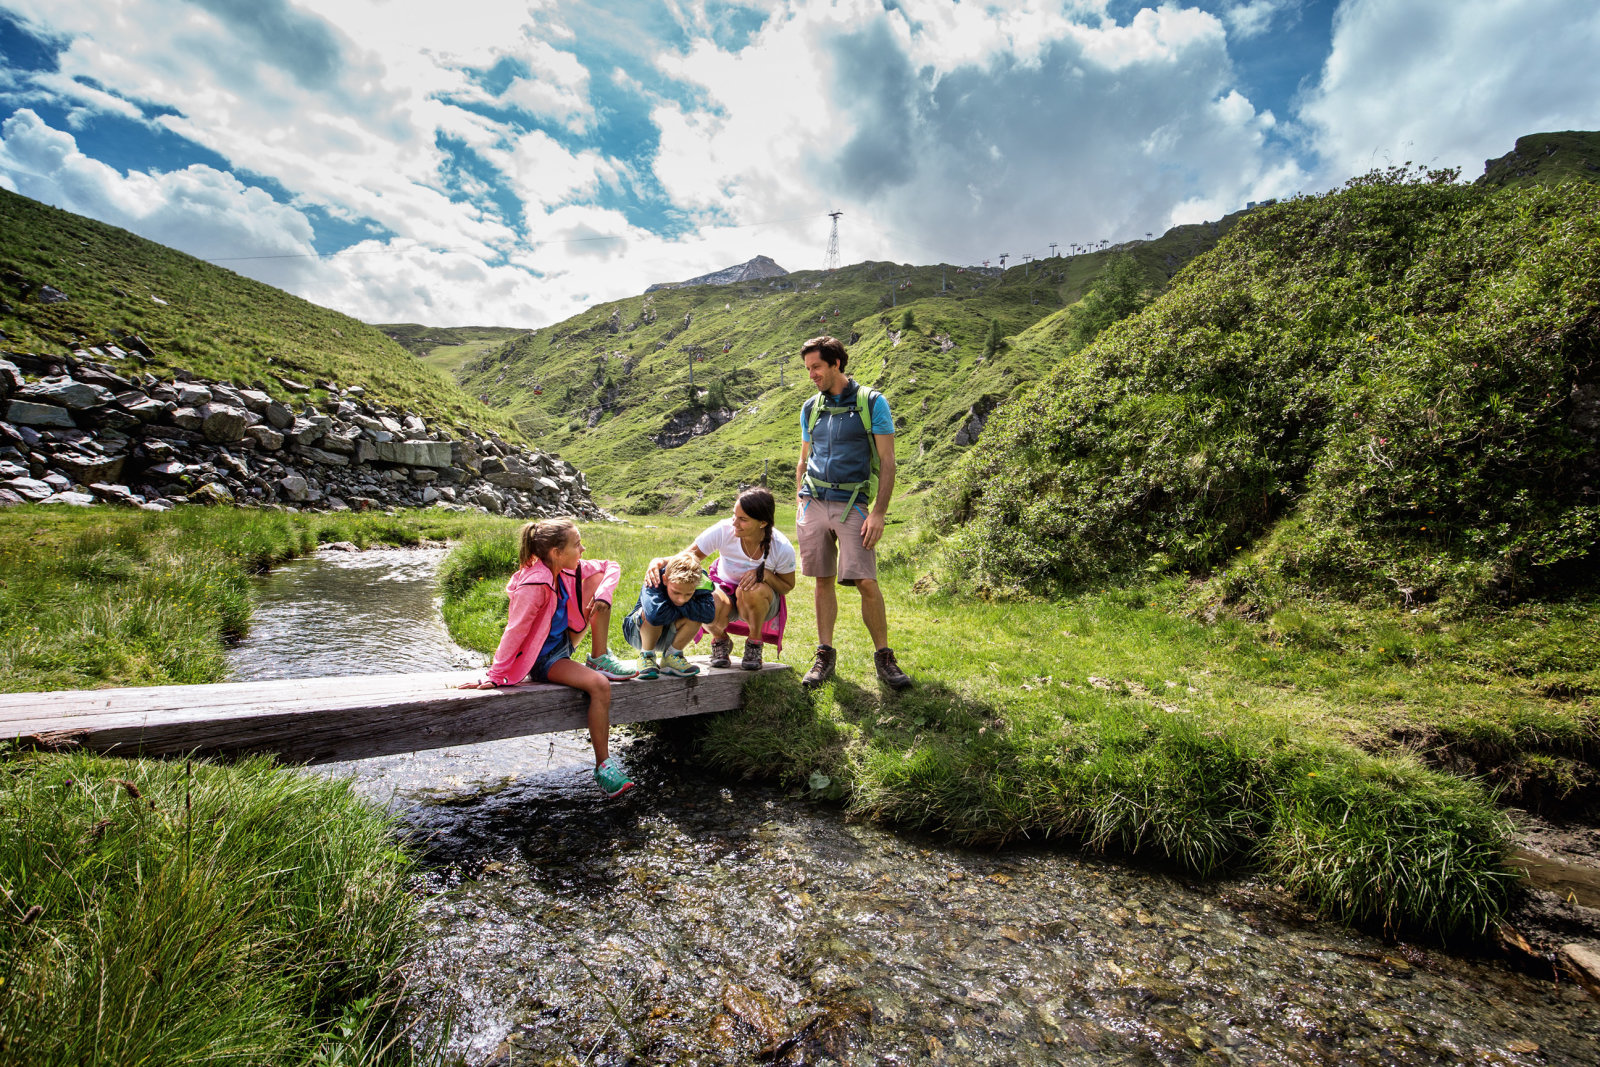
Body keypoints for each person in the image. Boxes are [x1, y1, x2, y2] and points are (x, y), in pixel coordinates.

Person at [459, 518, 638, 797]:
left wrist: (603, 594)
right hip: (545, 658)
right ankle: (603, 766)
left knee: (599, 583)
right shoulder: (536, 584)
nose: (583, 549)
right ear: (556, 552)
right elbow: (515, 631)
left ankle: (599, 656)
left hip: (565, 641)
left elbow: (610, 566)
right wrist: (496, 675)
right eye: (576, 545)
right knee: (600, 686)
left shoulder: (566, 570)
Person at [795, 335, 912, 690]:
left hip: (853, 504)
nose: (812, 374)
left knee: (865, 581)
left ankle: (884, 657)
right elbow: (803, 457)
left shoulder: (872, 402)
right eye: (808, 368)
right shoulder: (809, 407)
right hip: (813, 501)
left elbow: (889, 462)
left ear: (836, 364)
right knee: (822, 580)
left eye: (816, 367)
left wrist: (878, 513)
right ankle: (824, 655)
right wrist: (799, 499)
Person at [644, 487, 797, 671]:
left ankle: (754, 644)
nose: (735, 523)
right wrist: (659, 561)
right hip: (725, 591)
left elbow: (787, 586)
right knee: (707, 601)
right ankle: (720, 639)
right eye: (734, 515)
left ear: (762, 522)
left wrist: (766, 575)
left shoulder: (781, 547)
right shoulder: (724, 530)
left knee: (750, 590)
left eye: (743, 519)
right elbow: (688, 556)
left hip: (762, 600)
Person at [622, 547, 715, 679]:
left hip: (668, 631)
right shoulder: (654, 577)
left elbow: (709, 615)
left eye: (689, 593)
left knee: (697, 616)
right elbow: (655, 616)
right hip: (637, 633)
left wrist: (672, 605)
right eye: (676, 592)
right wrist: (690, 606)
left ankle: (672, 656)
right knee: (651, 613)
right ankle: (646, 655)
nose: (681, 599)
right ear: (665, 580)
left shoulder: (700, 579)